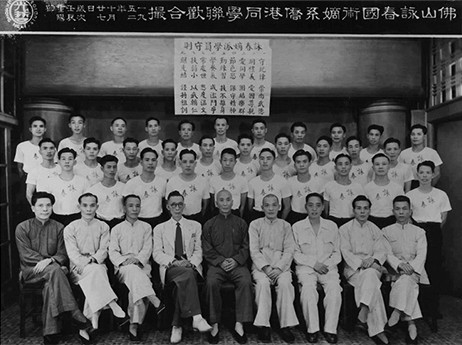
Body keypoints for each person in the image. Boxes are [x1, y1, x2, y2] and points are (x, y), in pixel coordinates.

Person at [15, 191, 91, 345]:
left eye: (48, 205)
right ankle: (75, 314)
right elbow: (25, 255)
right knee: (57, 271)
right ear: (33, 208)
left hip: (53, 271)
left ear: (52, 208)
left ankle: (50, 332)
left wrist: (50, 260)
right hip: (31, 271)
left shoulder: (59, 227)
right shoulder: (22, 228)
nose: (45, 209)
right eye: (40, 205)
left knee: (52, 283)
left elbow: (63, 253)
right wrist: (48, 262)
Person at [153, 191, 212, 344]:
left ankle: (177, 326)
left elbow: (199, 250)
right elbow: (157, 253)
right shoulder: (160, 228)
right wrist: (173, 261)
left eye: (180, 204)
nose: (177, 207)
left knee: (182, 282)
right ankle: (197, 317)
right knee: (186, 275)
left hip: (190, 265)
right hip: (170, 267)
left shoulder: (195, 225)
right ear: (167, 207)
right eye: (173, 204)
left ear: (184, 205)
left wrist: (191, 263)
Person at [64, 193, 126, 332]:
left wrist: (92, 260)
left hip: (97, 264)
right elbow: (72, 253)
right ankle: (111, 303)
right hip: (78, 269)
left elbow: (104, 250)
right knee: (95, 272)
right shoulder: (70, 228)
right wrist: (84, 262)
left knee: (96, 271)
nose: (88, 209)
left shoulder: (103, 226)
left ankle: (92, 322)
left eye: (92, 205)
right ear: (79, 207)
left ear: (97, 207)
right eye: (85, 205)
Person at [109, 194, 164, 341]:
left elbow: (147, 248)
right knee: (133, 273)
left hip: (141, 266)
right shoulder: (116, 229)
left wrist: (137, 260)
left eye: (137, 205)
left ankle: (133, 324)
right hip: (123, 268)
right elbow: (113, 251)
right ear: (124, 208)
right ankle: (153, 299)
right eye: (131, 205)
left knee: (136, 287)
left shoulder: (146, 227)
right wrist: (124, 261)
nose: (134, 209)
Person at [202, 190, 253, 344]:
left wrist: (237, 260)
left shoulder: (241, 223)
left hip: (237, 265)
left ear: (233, 202)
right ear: (216, 203)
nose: (225, 203)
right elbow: (206, 248)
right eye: (221, 200)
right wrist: (219, 261)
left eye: (228, 200)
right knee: (210, 282)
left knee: (245, 281)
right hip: (217, 266)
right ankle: (214, 323)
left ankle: (240, 323)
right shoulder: (209, 224)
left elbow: (246, 247)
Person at [292, 193, 341, 344]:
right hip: (307, 268)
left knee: (334, 289)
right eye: (310, 205)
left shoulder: (332, 226)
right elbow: (294, 252)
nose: (314, 209)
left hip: (328, 268)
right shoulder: (297, 227)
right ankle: (312, 329)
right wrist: (314, 264)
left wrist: (326, 265)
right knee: (307, 290)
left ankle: (330, 330)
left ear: (323, 207)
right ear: (305, 207)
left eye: (318, 205)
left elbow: (337, 252)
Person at [339, 196, 389, 345]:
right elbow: (345, 252)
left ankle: (364, 310)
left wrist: (374, 261)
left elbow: (381, 251)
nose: (362, 211)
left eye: (365, 208)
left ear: (369, 210)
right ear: (353, 210)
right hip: (353, 270)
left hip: (373, 267)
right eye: (359, 208)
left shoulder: (374, 229)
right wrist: (365, 263)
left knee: (370, 277)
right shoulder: (345, 229)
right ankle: (378, 330)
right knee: (373, 284)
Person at [249, 194, 298, 343]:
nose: (270, 208)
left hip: (281, 265)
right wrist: (266, 268)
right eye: (267, 205)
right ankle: (264, 326)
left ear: (279, 207)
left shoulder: (285, 225)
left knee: (285, 284)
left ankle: (285, 326)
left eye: (274, 205)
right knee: (262, 284)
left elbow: (289, 250)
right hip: (261, 266)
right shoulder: (255, 224)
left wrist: (278, 268)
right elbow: (254, 250)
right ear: (262, 207)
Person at [382, 195, 428, 344]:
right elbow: (387, 253)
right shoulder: (386, 231)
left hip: (416, 270)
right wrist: (400, 265)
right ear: (393, 211)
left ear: (410, 211)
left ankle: (396, 313)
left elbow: (422, 254)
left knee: (407, 279)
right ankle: (411, 324)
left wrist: (411, 267)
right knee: (406, 282)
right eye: (397, 209)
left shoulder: (419, 232)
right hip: (395, 270)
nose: (401, 212)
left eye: (404, 209)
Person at [406, 161, 451, 308]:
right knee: (417, 265)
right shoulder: (410, 195)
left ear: (433, 174)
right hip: (416, 230)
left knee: (434, 266)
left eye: (427, 173)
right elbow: (407, 216)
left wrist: (433, 230)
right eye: (421, 172)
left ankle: (432, 306)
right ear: (417, 174)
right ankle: (416, 304)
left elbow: (443, 217)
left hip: (434, 231)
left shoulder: (441, 195)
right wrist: (417, 231)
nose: (424, 176)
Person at [38, 148, 88, 226]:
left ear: (74, 162)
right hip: (55, 218)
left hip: (77, 218)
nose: (67, 162)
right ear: (59, 162)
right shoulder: (49, 181)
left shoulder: (83, 181)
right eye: (63, 159)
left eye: (70, 159)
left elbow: (87, 202)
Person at [123, 148, 167, 228]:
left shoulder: (162, 182)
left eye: (153, 160)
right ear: (141, 162)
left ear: (157, 162)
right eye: (147, 160)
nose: (150, 163)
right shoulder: (131, 183)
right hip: (138, 221)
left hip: (158, 221)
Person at [166, 149, 210, 222]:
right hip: (178, 218)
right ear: (180, 163)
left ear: (195, 164)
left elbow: (205, 205)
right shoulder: (172, 181)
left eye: (191, 162)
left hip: (197, 218)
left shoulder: (203, 181)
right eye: (184, 162)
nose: (188, 165)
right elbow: (168, 203)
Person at [248, 148, 291, 221]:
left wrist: (280, 222)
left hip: (277, 217)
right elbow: (250, 207)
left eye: (268, 158)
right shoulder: (252, 182)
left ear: (274, 161)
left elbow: (287, 207)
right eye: (262, 158)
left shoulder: (282, 181)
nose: (265, 161)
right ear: (259, 161)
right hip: (257, 217)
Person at [323, 154, 364, 227]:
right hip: (333, 221)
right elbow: (326, 211)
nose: (343, 167)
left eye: (346, 164)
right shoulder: (329, 186)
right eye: (340, 164)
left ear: (351, 166)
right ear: (335, 167)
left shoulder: (358, 187)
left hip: (352, 222)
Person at [364, 153, 404, 229]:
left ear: (389, 167)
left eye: (384, 164)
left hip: (392, 221)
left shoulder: (397, 188)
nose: (381, 167)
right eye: (377, 164)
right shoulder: (367, 188)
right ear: (373, 167)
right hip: (372, 222)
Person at [87, 155, 125, 229]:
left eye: (114, 167)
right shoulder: (93, 190)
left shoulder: (123, 187)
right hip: (100, 224)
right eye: (108, 167)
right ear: (102, 168)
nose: (112, 170)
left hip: (119, 223)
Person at [287, 150, 323, 225]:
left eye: (304, 161)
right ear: (294, 165)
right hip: (295, 216)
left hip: (313, 216)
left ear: (310, 163)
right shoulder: (289, 182)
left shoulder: (318, 181)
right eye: (298, 162)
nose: (301, 165)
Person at [209, 148, 248, 218]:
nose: (227, 163)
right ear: (220, 161)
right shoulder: (213, 180)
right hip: (218, 214)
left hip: (235, 214)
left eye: (231, 160)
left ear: (235, 162)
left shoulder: (242, 180)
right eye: (225, 160)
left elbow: (242, 206)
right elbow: (212, 204)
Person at [26, 138, 61, 205]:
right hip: (44, 209)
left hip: (60, 209)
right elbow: (29, 193)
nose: (49, 151)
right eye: (45, 148)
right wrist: (36, 208)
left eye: (51, 148)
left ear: (55, 150)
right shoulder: (34, 171)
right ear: (40, 151)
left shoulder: (61, 169)